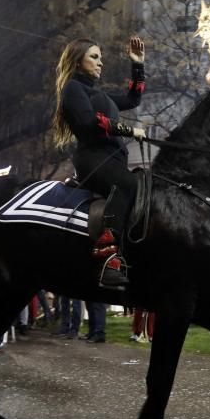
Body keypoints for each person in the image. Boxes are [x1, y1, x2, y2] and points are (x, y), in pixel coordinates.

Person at [51, 36, 147, 289]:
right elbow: (87, 121)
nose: (100, 62)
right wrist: (129, 130)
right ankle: (108, 258)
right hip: (93, 159)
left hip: (112, 159)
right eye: (94, 57)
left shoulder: (99, 94)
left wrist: (138, 64)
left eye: (100, 57)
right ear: (78, 60)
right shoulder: (73, 88)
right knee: (128, 185)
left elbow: (134, 99)